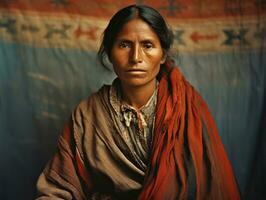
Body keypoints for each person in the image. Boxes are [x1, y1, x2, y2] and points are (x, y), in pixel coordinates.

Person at [36, 4, 240, 200]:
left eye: (148, 45)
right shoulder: (88, 114)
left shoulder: (187, 107)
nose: (135, 57)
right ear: (109, 53)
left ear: (163, 55)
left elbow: (211, 186)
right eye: (124, 45)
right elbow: (60, 188)